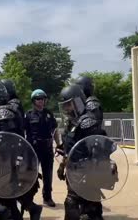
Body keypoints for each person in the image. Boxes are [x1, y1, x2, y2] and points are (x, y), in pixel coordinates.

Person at [0, 79, 42, 220]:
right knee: (8, 201)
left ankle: (25, 212)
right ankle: (30, 211)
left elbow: (3, 140)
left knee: (5, 202)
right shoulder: (8, 109)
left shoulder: (4, 111)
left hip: (9, 165)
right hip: (14, 163)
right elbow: (1, 133)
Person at [57, 84, 106, 220]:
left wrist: (92, 173)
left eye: (69, 104)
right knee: (89, 206)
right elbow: (70, 150)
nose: (66, 108)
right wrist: (63, 166)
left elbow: (98, 150)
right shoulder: (72, 122)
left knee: (78, 204)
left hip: (87, 171)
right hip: (73, 171)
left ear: (77, 102)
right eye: (64, 105)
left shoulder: (87, 122)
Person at [24, 89, 57, 207]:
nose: (41, 101)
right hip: (33, 149)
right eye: (38, 99)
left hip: (47, 148)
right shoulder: (28, 115)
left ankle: (47, 197)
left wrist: (59, 145)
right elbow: (22, 132)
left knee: (48, 175)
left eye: (43, 99)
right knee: (31, 174)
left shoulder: (49, 114)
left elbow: (55, 130)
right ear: (33, 101)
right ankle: (29, 198)